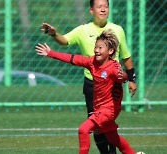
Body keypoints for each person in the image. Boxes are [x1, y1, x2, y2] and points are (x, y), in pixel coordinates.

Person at [41, 0, 137, 153]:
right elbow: (68, 49)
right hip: (92, 86)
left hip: (112, 87)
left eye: (106, 6)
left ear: (110, 50)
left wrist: (129, 78)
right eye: (99, 6)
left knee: (89, 128)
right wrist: (54, 37)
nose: (103, 9)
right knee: (104, 130)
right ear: (91, 10)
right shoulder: (84, 33)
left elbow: (125, 58)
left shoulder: (117, 30)